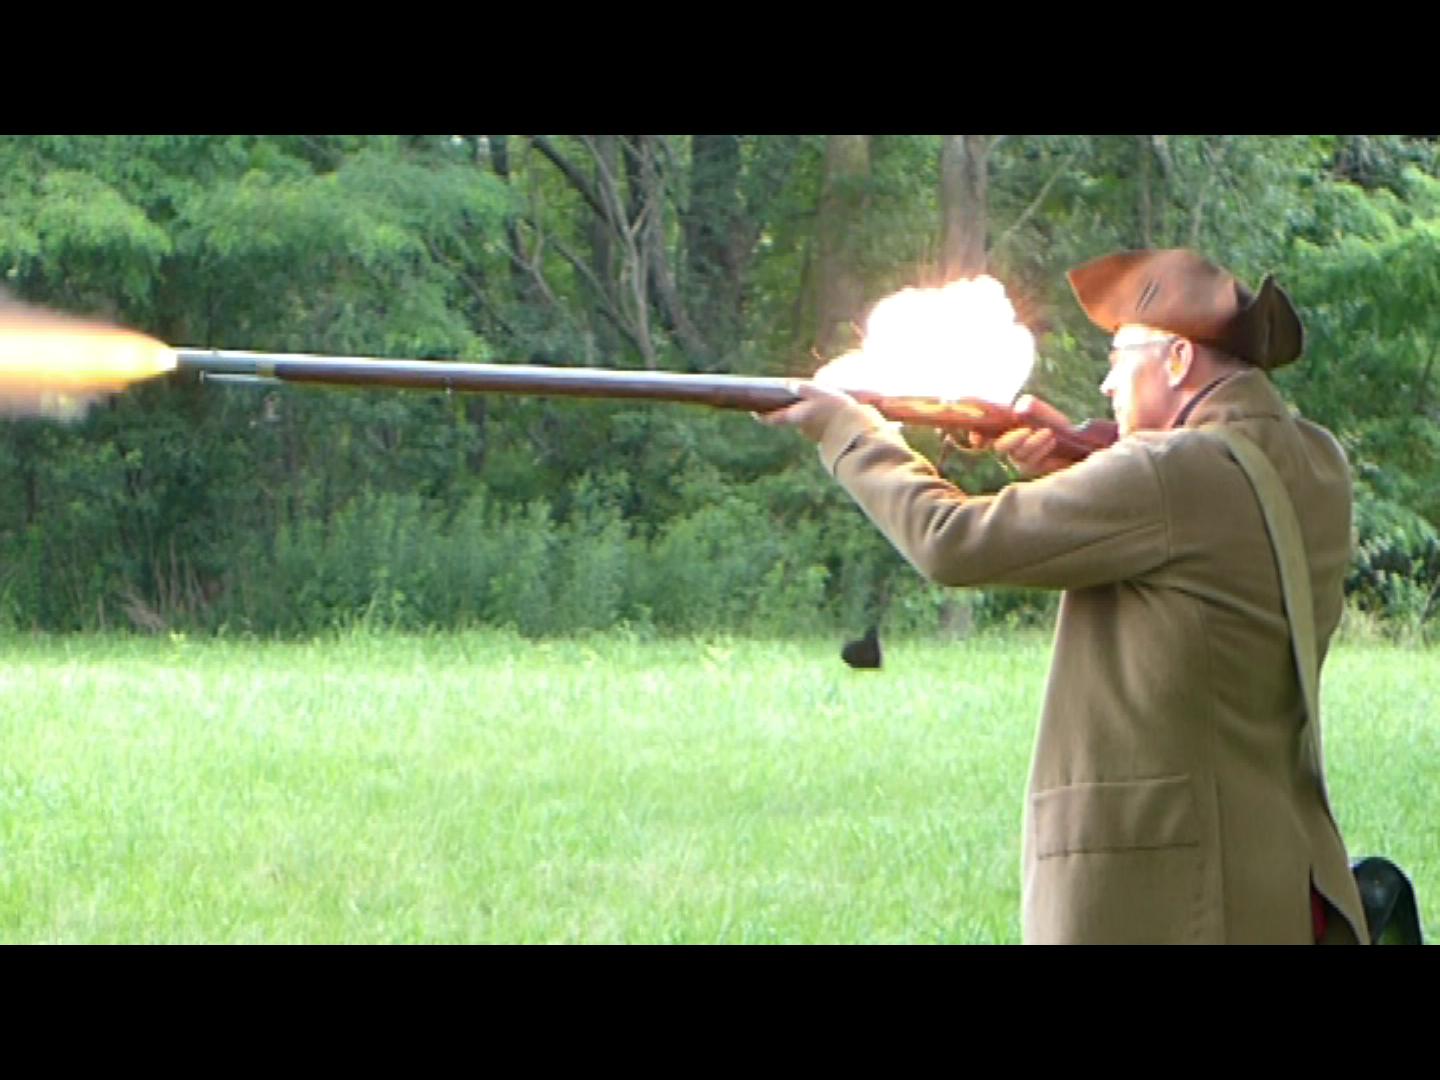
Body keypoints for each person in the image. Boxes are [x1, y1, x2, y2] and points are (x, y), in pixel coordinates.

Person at [763, 248, 1368, 944]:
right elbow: (1214, 507)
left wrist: (850, 433)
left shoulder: (1169, 476)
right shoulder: (1318, 460)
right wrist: (1079, 456)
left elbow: (951, 541)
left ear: (1176, 361)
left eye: (1121, 355)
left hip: (1176, 888)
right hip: (1282, 876)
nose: (1109, 382)